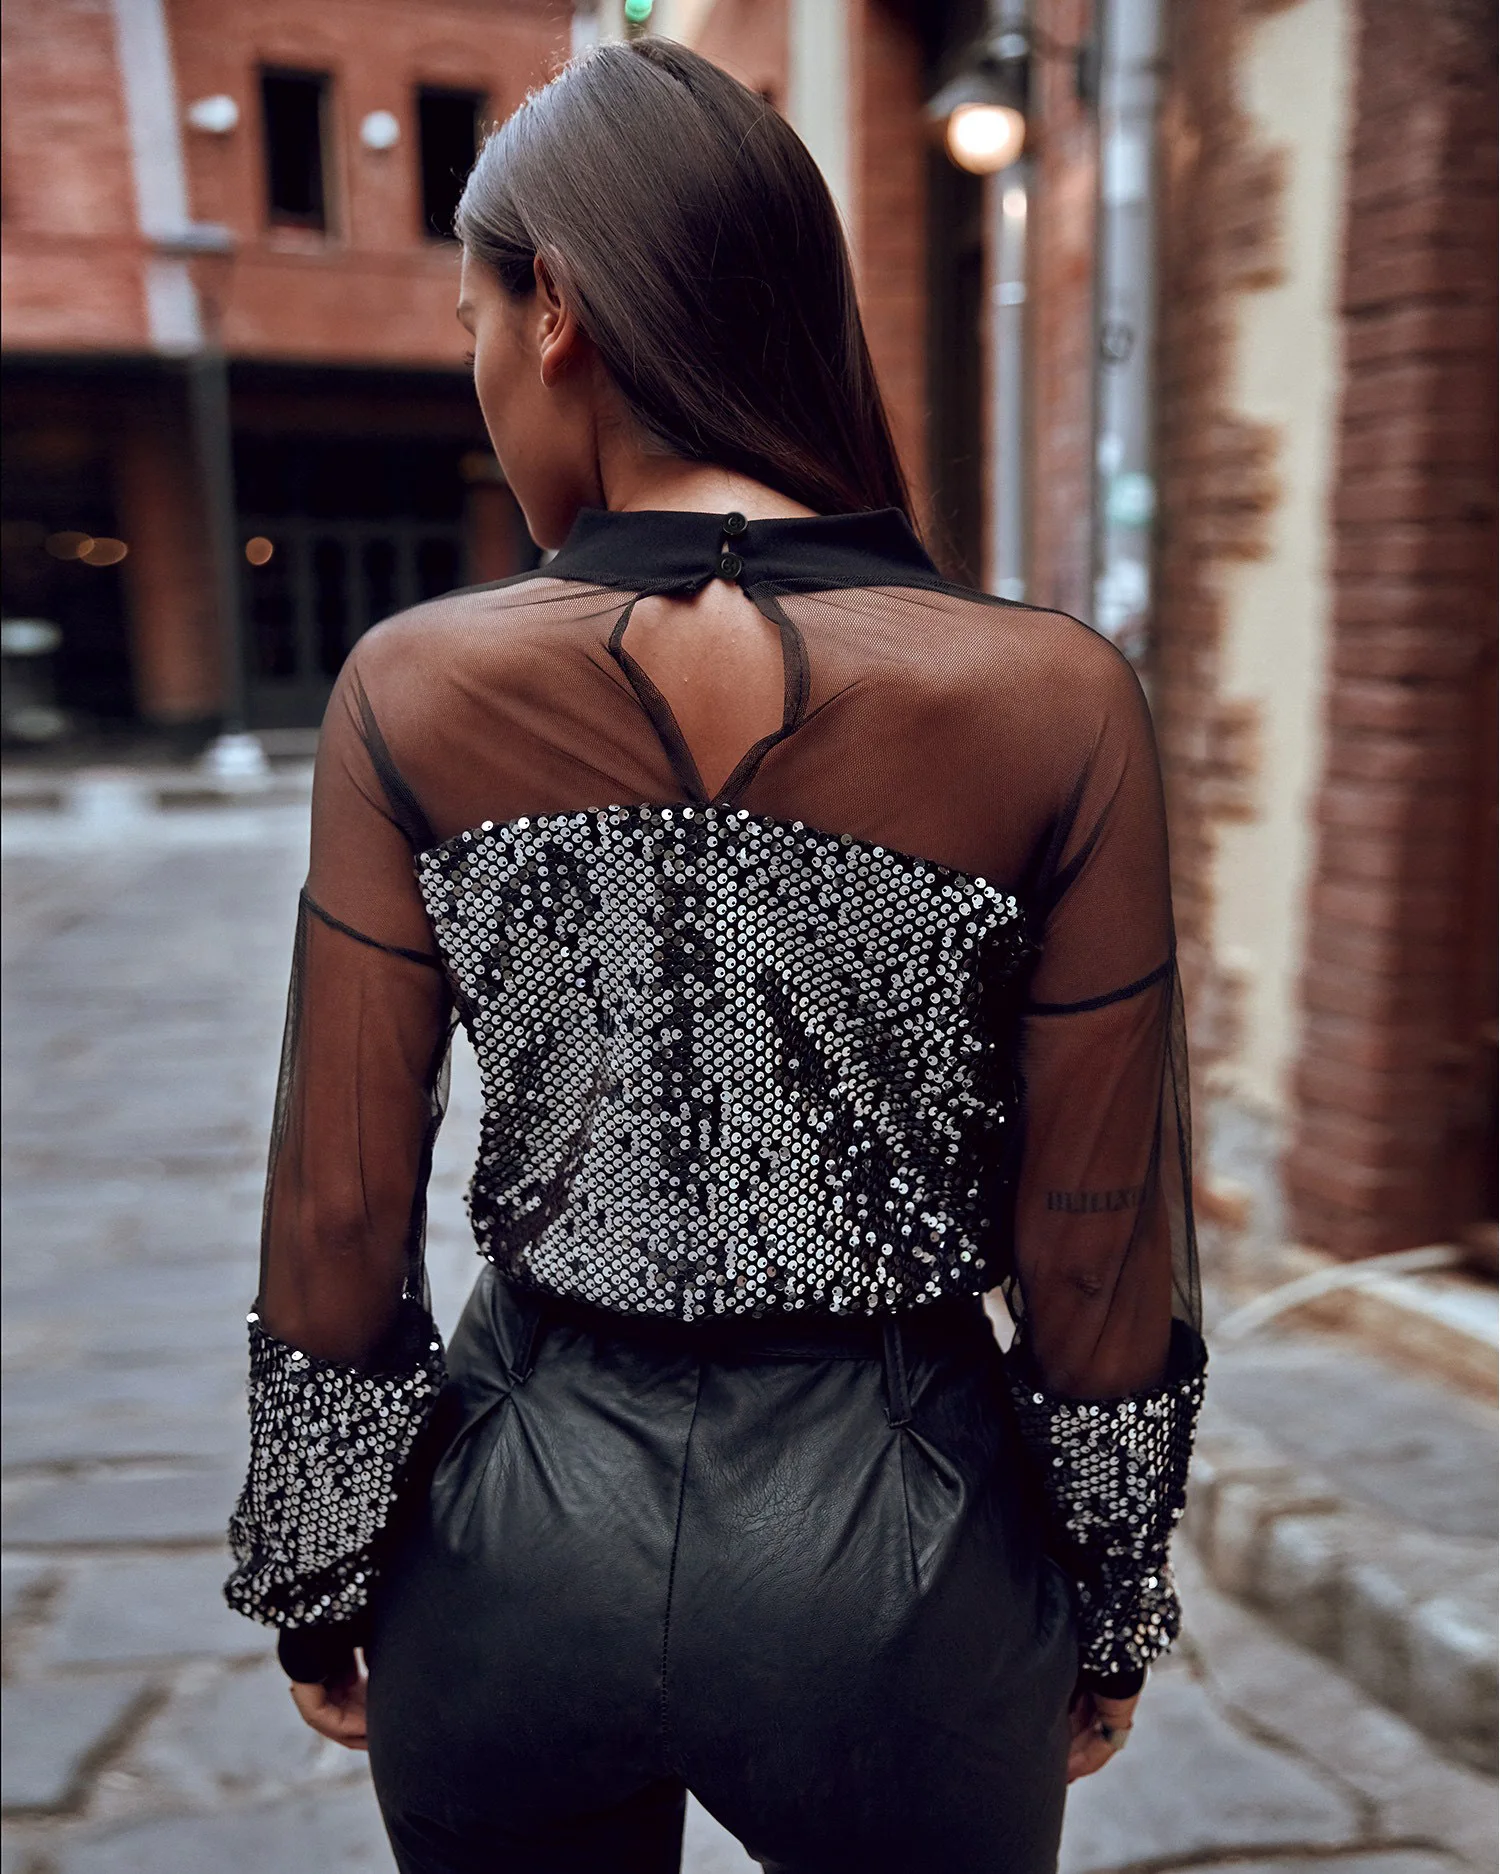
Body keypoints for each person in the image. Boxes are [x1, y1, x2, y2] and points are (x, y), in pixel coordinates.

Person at [224, 38, 1206, 1874]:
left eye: (471, 325)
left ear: (558, 312)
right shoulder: (1052, 698)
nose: (479, 381)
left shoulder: (413, 687)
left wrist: (319, 1559)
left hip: (518, 1526)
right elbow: (1095, 1232)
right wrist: (1107, 1584)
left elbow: (343, 1204)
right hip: (904, 1542)